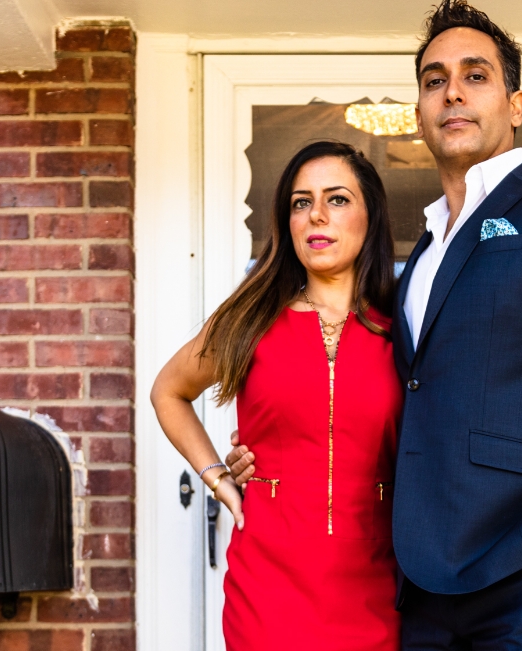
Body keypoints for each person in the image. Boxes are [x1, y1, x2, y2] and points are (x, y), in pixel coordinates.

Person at [228, 1, 522, 648]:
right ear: (421, 109)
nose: (451, 90)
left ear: (516, 103)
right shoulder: (422, 255)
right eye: (434, 80)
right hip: (423, 587)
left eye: (474, 75)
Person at [150, 141, 402, 650]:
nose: (316, 216)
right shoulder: (251, 320)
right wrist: (217, 476)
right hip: (267, 586)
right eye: (300, 202)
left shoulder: (405, 328)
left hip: (379, 581)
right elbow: (168, 391)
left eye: (336, 199)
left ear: (369, 215)